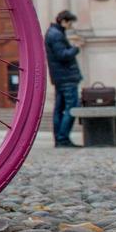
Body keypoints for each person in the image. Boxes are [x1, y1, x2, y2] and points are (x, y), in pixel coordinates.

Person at [45, 10, 83, 148]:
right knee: (71, 107)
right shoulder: (56, 35)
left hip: (61, 77)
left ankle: (60, 138)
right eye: (70, 23)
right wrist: (76, 48)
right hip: (66, 77)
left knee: (59, 109)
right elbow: (62, 55)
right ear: (64, 21)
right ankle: (62, 138)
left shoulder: (54, 33)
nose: (71, 26)